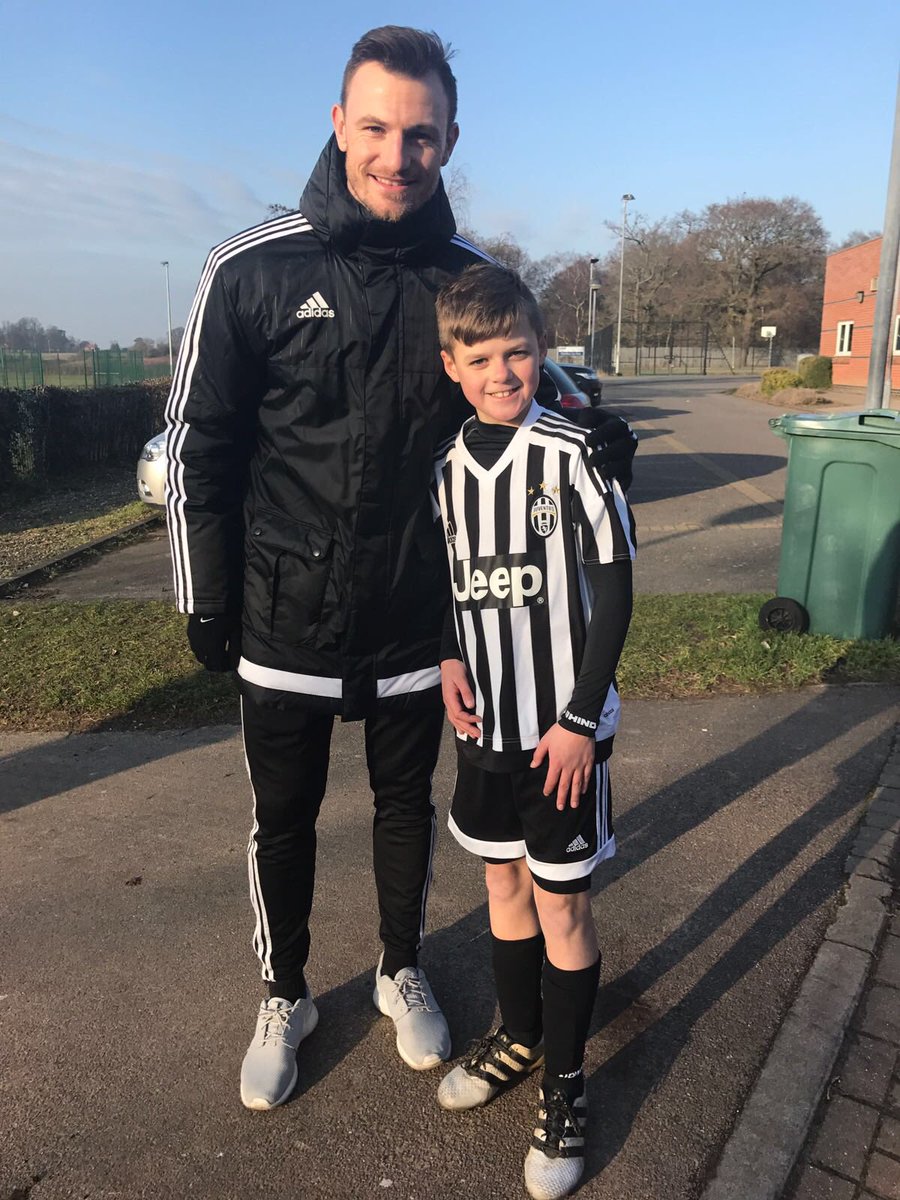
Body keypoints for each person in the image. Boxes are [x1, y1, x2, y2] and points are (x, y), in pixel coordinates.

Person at [164, 26, 636, 1113]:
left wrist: (603, 438)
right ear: (339, 125)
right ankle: (285, 992)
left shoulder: (468, 282)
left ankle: (399, 967)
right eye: (375, 127)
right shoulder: (248, 266)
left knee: (404, 814)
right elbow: (199, 443)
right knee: (280, 820)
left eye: (420, 134)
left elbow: (535, 395)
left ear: (449, 142)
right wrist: (205, 591)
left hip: (424, 629)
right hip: (284, 617)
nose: (396, 153)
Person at [431, 263, 635, 1200]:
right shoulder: (445, 471)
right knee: (503, 883)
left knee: (563, 905)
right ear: (452, 364)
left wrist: (582, 718)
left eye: (518, 352)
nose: (502, 371)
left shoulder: (573, 451)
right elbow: (451, 587)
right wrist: (445, 658)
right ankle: (517, 1037)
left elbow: (615, 585)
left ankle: (565, 1085)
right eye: (482, 356)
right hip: (487, 734)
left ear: (541, 352)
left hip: (561, 732)